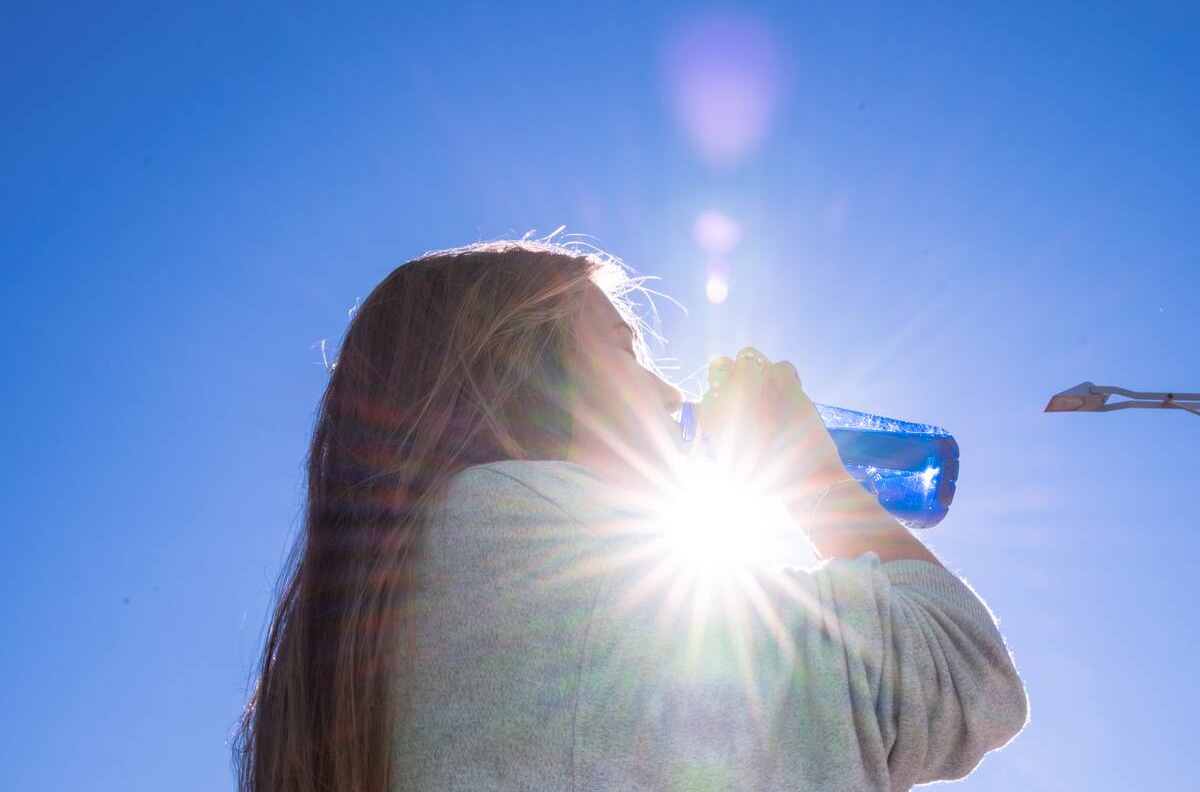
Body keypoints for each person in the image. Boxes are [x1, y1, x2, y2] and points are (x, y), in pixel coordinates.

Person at [234, 239, 1028, 792]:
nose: (670, 391)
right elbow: (962, 680)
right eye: (625, 348)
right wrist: (809, 474)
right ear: (519, 367)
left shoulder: (408, 592)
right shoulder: (529, 531)